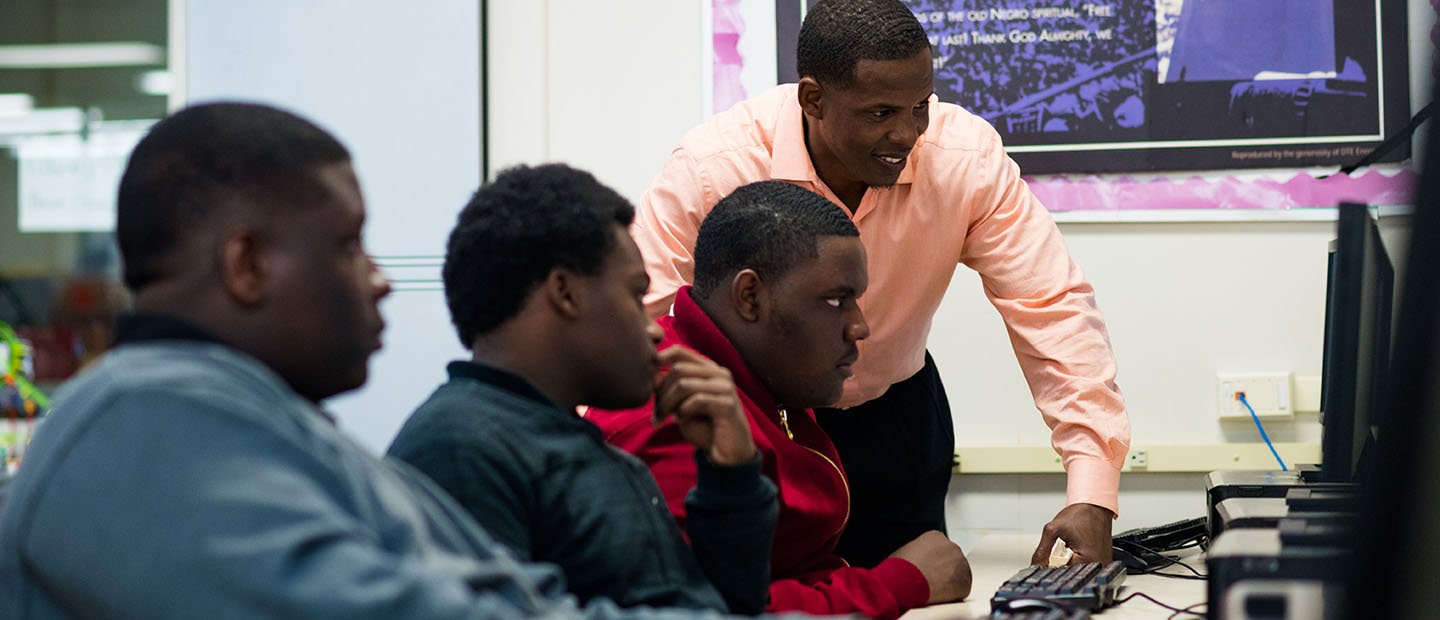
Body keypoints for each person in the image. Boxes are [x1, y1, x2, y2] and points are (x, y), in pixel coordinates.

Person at [0, 102, 776, 620]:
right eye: (347, 245)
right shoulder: (139, 420)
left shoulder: (262, 424)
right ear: (246, 265)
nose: (376, 278)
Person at [632, 0, 1131, 569]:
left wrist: (1092, 487)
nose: (908, 133)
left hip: (895, 420)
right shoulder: (714, 167)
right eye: (880, 113)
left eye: (921, 106)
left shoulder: (963, 159)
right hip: (755, 433)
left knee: (923, 597)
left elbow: (1051, 308)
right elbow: (640, 327)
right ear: (813, 99)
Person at [387, 163, 777, 614]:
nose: (653, 331)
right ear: (565, 293)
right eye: (635, 295)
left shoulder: (580, 444)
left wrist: (730, 476)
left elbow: (723, 608)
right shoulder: (461, 446)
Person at [589, 181, 972, 619]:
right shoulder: (676, 409)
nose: (859, 327)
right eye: (835, 300)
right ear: (750, 297)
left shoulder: (767, 373)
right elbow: (716, 609)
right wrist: (901, 581)